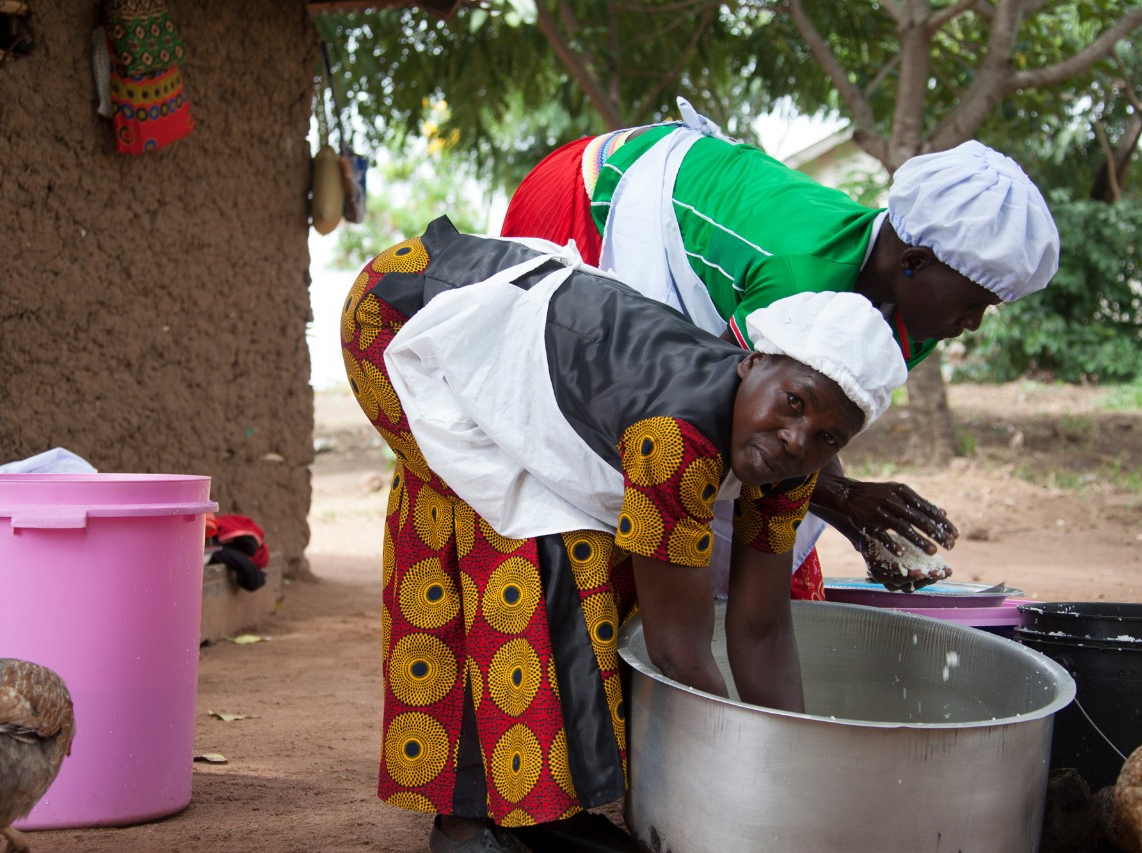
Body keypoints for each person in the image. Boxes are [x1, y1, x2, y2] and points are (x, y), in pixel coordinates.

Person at [341, 216, 907, 852]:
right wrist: (743, 790)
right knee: (523, 550)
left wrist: (795, 762)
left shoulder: (786, 462)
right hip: (403, 311)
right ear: (751, 363)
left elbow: (761, 626)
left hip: (520, 318)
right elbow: (678, 651)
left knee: (588, 562)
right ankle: (472, 816)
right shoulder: (677, 440)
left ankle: (536, 800)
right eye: (793, 403)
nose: (796, 440)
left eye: (828, 438)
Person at [500, 100, 1061, 596]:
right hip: (591, 192)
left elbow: (812, 416)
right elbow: (708, 410)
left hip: (696, 231)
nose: (974, 324)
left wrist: (853, 514)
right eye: (975, 303)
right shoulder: (800, 275)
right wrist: (842, 499)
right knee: (595, 466)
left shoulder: (910, 317)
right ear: (914, 263)